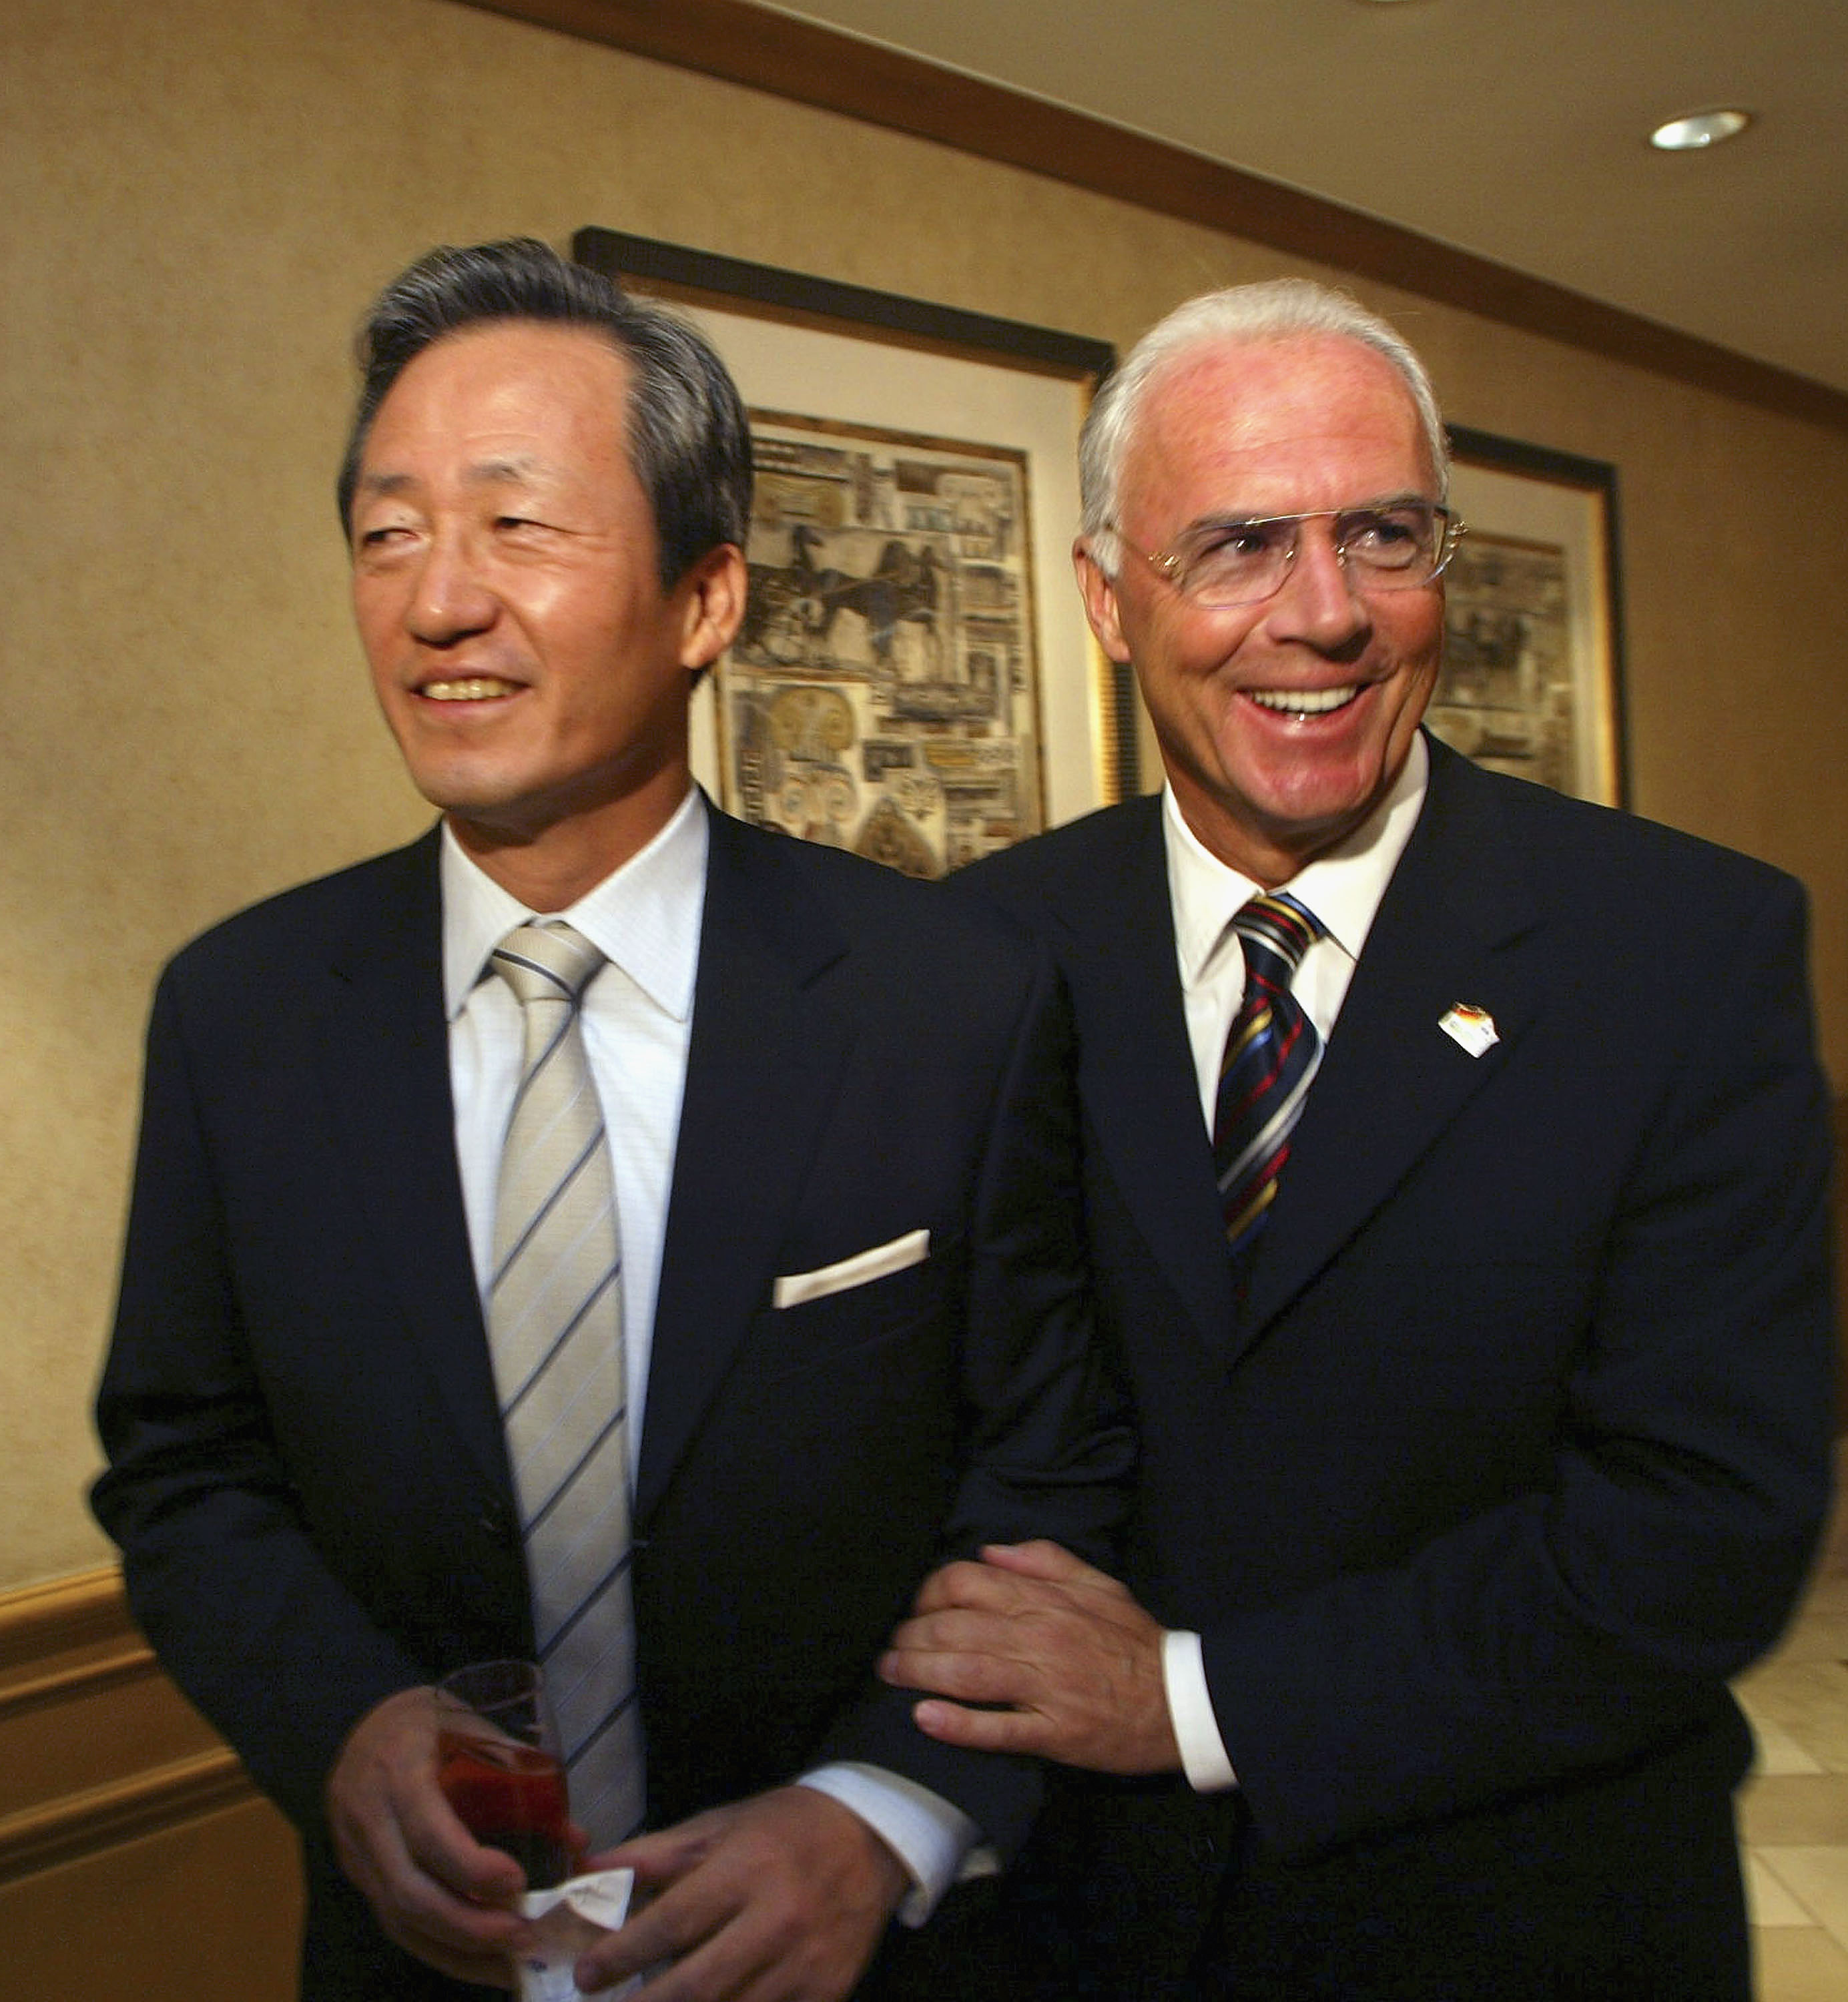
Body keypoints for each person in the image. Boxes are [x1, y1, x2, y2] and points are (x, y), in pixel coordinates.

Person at [90, 238, 1128, 2002]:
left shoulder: (944, 998)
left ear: (705, 598)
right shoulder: (241, 1015)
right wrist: (338, 1727)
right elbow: (189, 1466)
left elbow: (1048, 1470)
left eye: (515, 525)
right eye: (389, 531)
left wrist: (885, 1806)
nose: (436, 603)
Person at [880, 278, 1837, 1997]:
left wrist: (1189, 1700)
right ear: (1109, 598)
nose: (1326, 616)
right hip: (1075, 1928)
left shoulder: (1685, 952)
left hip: (1525, 1916)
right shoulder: (973, 961)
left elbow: (1705, 1528)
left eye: (1384, 535)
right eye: (1239, 544)